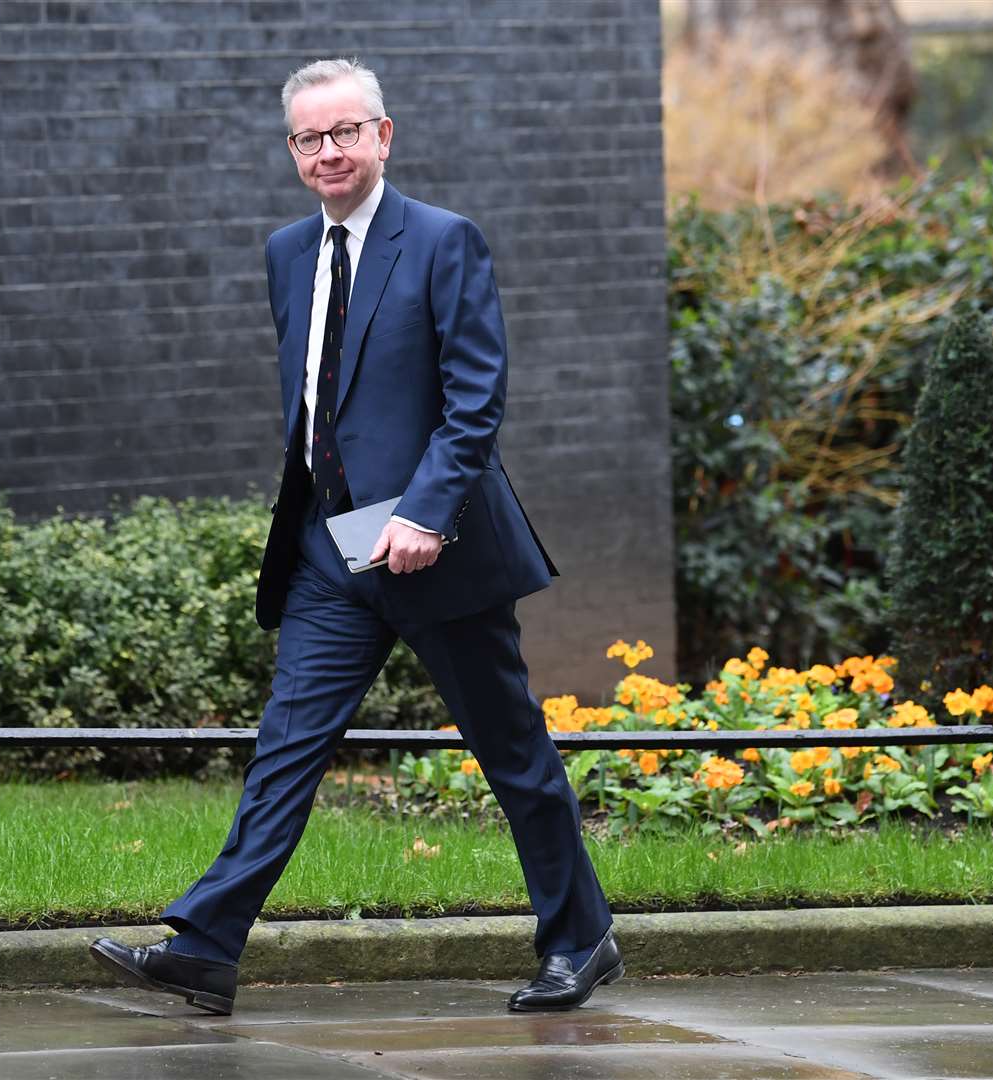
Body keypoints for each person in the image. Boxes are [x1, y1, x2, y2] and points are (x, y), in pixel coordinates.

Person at [91, 58, 619, 1016]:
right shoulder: (286, 252)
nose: (326, 152)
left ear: (383, 135)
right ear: (292, 151)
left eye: (343, 133)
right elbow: (315, 403)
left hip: (435, 548)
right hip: (330, 551)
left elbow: (474, 404)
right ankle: (207, 946)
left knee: (510, 752)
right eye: (307, 138)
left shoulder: (444, 241)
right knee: (287, 747)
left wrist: (423, 512)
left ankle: (580, 942)